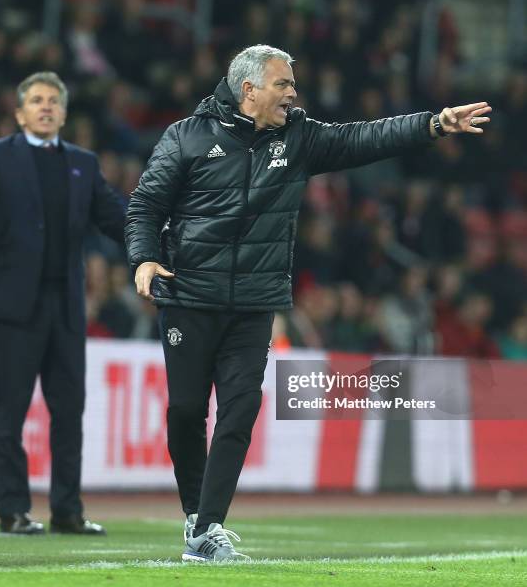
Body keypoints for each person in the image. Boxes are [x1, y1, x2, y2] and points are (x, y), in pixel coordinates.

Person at [125, 44, 491, 561]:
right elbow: (145, 204)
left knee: (239, 409)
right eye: (284, 85)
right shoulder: (186, 137)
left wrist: (432, 124)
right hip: (189, 296)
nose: (294, 94)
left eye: (293, 85)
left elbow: (365, 137)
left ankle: (207, 529)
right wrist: (142, 258)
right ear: (248, 89)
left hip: (254, 303)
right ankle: (194, 514)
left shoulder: (298, 137)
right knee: (186, 411)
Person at [0, 72, 125, 535]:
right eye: (36, 100)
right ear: (20, 112)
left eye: (53, 101)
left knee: (69, 411)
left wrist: (155, 235)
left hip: (65, 305)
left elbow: (115, 218)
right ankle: (14, 511)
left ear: (63, 113)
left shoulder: (84, 162)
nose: (45, 107)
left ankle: (67, 511)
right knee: (11, 411)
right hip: (14, 305)